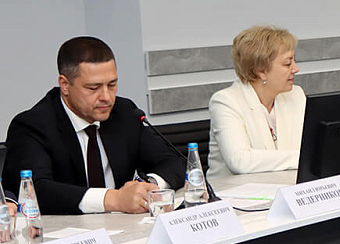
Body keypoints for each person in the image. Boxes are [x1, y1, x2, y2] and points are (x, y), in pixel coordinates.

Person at [3, 36, 185, 215]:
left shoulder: (124, 113)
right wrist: (113, 199)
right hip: (68, 231)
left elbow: (174, 162)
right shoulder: (32, 125)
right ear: (65, 85)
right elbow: (36, 191)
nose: (106, 97)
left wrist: (147, 187)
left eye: (112, 85)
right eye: (93, 88)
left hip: (125, 226)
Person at [207, 26, 306, 179]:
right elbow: (240, 161)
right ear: (261, 71)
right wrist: (303, 157)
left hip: (285, 187)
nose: (296, 69)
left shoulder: (295, 95)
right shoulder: (226, 101)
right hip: (234, 191)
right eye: (287, 63)